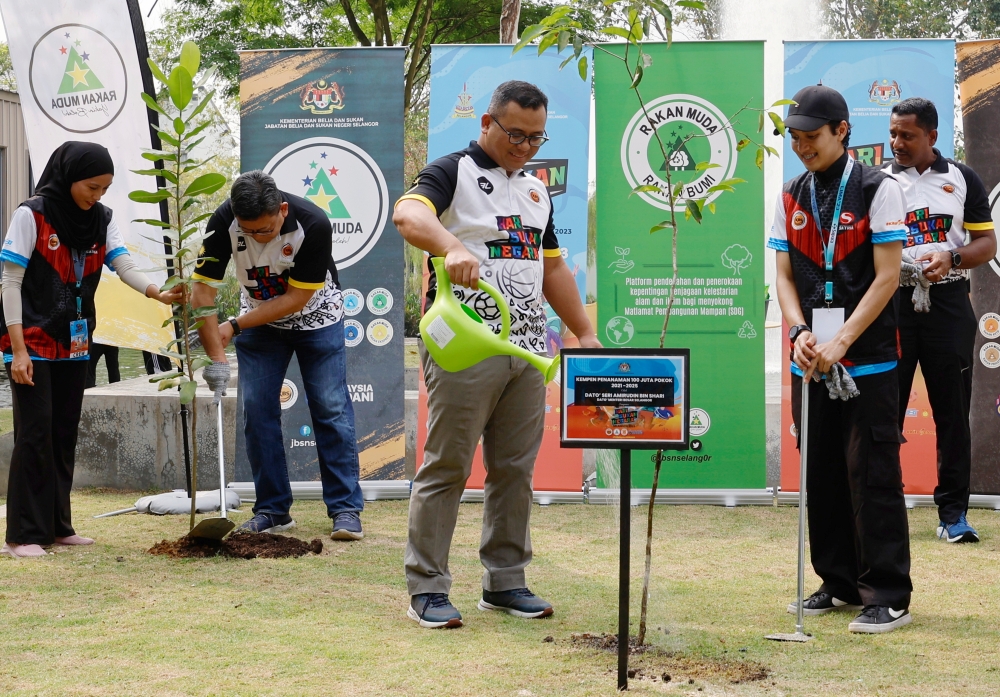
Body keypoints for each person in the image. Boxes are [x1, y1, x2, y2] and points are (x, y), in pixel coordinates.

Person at [393, 80, 601, 629]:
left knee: (514, 470)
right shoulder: (451, 171)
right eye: (515, 134)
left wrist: (583, 331)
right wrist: (451, 245)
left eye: (536, 138)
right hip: (467, 342)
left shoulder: (536, 191)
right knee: (448, 464)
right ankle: (428, 588)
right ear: (486, 122)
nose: (525, 147)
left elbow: (551, 266)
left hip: (529, 350)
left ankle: (506, 581)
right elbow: (409, 216)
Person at [768, 85, 914, 633]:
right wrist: (801, 331)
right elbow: (782, 277)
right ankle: (838, 581)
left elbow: (887, 277)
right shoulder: (789, 194)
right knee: (823, 472)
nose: (802, 147)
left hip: (867, 358)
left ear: (842, 131)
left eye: (812, 137)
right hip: (811, 358)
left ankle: (888, 593)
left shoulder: (879, 188)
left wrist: (843, 340)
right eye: (795, 139)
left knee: (873, 474)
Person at [0, 142, 179, 558]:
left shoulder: (102, 218)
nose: (97, 195)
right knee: (35, 432)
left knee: (63, 433)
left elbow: (123, 264)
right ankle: (22, 535)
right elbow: (9, 283)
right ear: (69, 177)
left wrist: (158, 293)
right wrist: (18, 350)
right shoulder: (33, 214)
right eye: (91, 186)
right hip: (31, 342)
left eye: (104, 188)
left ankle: (59, 526)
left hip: (76, 342)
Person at [193, 171, 363, 541]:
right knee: (257, 410)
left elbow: (296, 299)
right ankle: (272, 509)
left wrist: (235, 326)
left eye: (265, 230)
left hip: (317, 319)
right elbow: (202, 293)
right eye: (248, 231)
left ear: (282, 210)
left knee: (331, 409)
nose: (256, 238)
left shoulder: (314, 223)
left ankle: (345, 509)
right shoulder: (223, 221)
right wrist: (216, 358)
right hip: (259, 324)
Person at [883, 97, 996, 544]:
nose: (897, 143)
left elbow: (985, 245)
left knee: (951, 413)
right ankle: (883, 507)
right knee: (883, 411)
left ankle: (953, 515)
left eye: (907, 135)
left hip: (948, 304)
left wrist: (951, 256)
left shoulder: (962, 178)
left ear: (931, 136)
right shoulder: (878, 181)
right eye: (893, 133)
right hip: (891, 302)